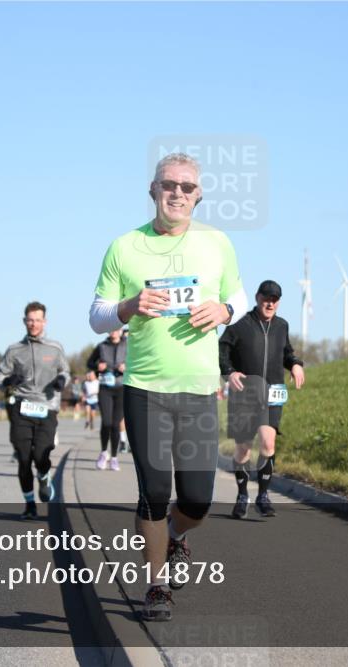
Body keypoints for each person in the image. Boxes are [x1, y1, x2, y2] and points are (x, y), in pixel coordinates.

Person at [89, 152, 246, 621]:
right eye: (168, 184)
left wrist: (225, 311)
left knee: (197, 499)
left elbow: (236, 294)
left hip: (198, 390)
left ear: (198, 196)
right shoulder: (124, 247)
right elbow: (96, 316)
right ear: (153, 190)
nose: (177, 192)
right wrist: (129, 305)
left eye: (186, 186)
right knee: (154, 491)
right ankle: (156, 586)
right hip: (145, 388)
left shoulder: (217, 243)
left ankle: (177, 534)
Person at [219, 280, 305, 519]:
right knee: (244, 448)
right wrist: (230, 372)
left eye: (275, 299)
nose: (270, 303)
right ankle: (242, 494)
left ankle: (263, 496)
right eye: (266, 298)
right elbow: (222, 349)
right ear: (257, 298)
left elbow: (286, 352)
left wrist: (296, 364)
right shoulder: (240, 324)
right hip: (245, 394)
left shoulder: (282, 326)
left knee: (268, 444)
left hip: (272, 393)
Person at [0, 302, 69, 520]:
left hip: (47, 408)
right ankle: (29, 505)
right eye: (30, 320)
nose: (33, 324)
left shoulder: (55, 348)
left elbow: (65, 370)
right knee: (24, 459)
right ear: (24, 321)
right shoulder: (14, 350)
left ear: (44, 322)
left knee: (41, 455)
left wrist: (62, 379)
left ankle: (44, 476)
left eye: (37, 320)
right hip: (22, 408)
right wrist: (7, 380)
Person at [86, 327, 127, 471]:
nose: (114, 331)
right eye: (111, 329)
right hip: (105, 389)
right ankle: (104, 453)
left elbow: (139, 363)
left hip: (122, 388)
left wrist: (127, 367)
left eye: (117, 328)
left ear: (121, 330)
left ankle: (114, 458)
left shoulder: (128, 345)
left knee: (116, 425)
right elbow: (89, 363)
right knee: (107, 422)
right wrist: (98, 366)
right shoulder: (102, 346)